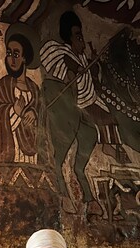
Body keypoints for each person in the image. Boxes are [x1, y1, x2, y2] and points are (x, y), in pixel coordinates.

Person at [40, 11, 129, 164]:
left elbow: (91, 76)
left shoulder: (82, 57)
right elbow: (70, 71)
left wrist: (93, 65)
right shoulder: (66, 54)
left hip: (90, 97)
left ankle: (110, 145)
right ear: (70, 40)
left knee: (110, 113)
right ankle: (108, 147)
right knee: (106, 117)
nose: (83, 43)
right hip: (82, 101)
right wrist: (78, 69)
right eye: (79, 38)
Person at [0, 29, 41, 164]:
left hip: (32, 155)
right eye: (9, 54)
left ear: (24, 58)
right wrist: (13, 111)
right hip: (10, 150)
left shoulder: (35, 90)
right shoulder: (1, 87)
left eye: (16, 54)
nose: (11, 59)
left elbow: (43, 117)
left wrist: (34, 113)